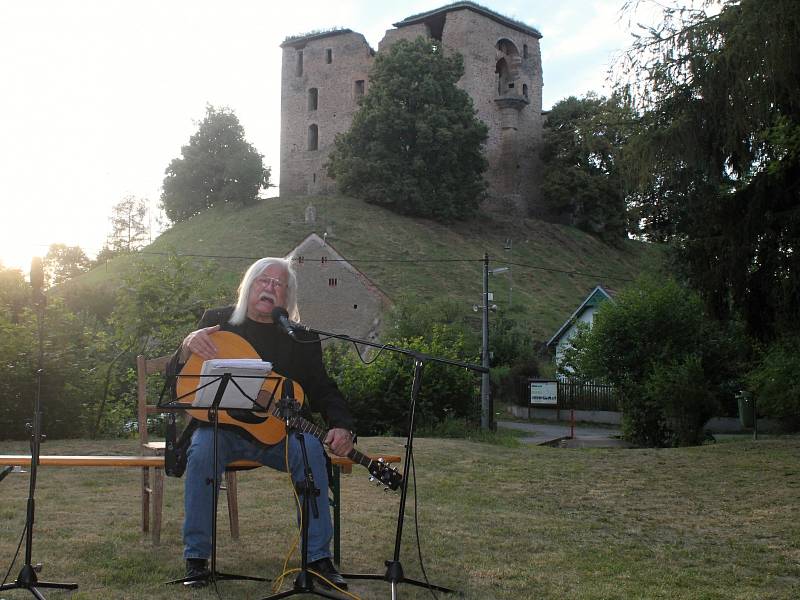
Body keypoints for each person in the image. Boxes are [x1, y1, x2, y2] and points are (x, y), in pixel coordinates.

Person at [169, 257, 354, 590]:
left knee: (311, 450)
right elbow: (179, 378)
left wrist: (341, 424)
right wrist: (186, 346)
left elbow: (324, 389)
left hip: (278, 433)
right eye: (262, 281)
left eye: (278, 284)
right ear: (248, 286)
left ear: (287, 298)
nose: (269, 288)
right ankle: (196, 559)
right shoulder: (218, 322)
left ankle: (317, 559)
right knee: (201, 453)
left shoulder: (301, 337)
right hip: (220, 429)